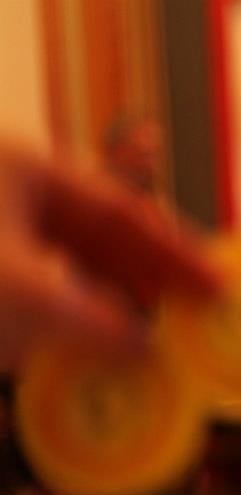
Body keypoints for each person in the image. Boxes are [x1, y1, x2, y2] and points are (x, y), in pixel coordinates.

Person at [0, 138, 219, 371]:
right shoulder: (92, 196)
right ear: (117, 152)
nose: (152, 163)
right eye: (144, 153)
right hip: (90, 329)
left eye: (155, 154)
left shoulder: (148, 200)